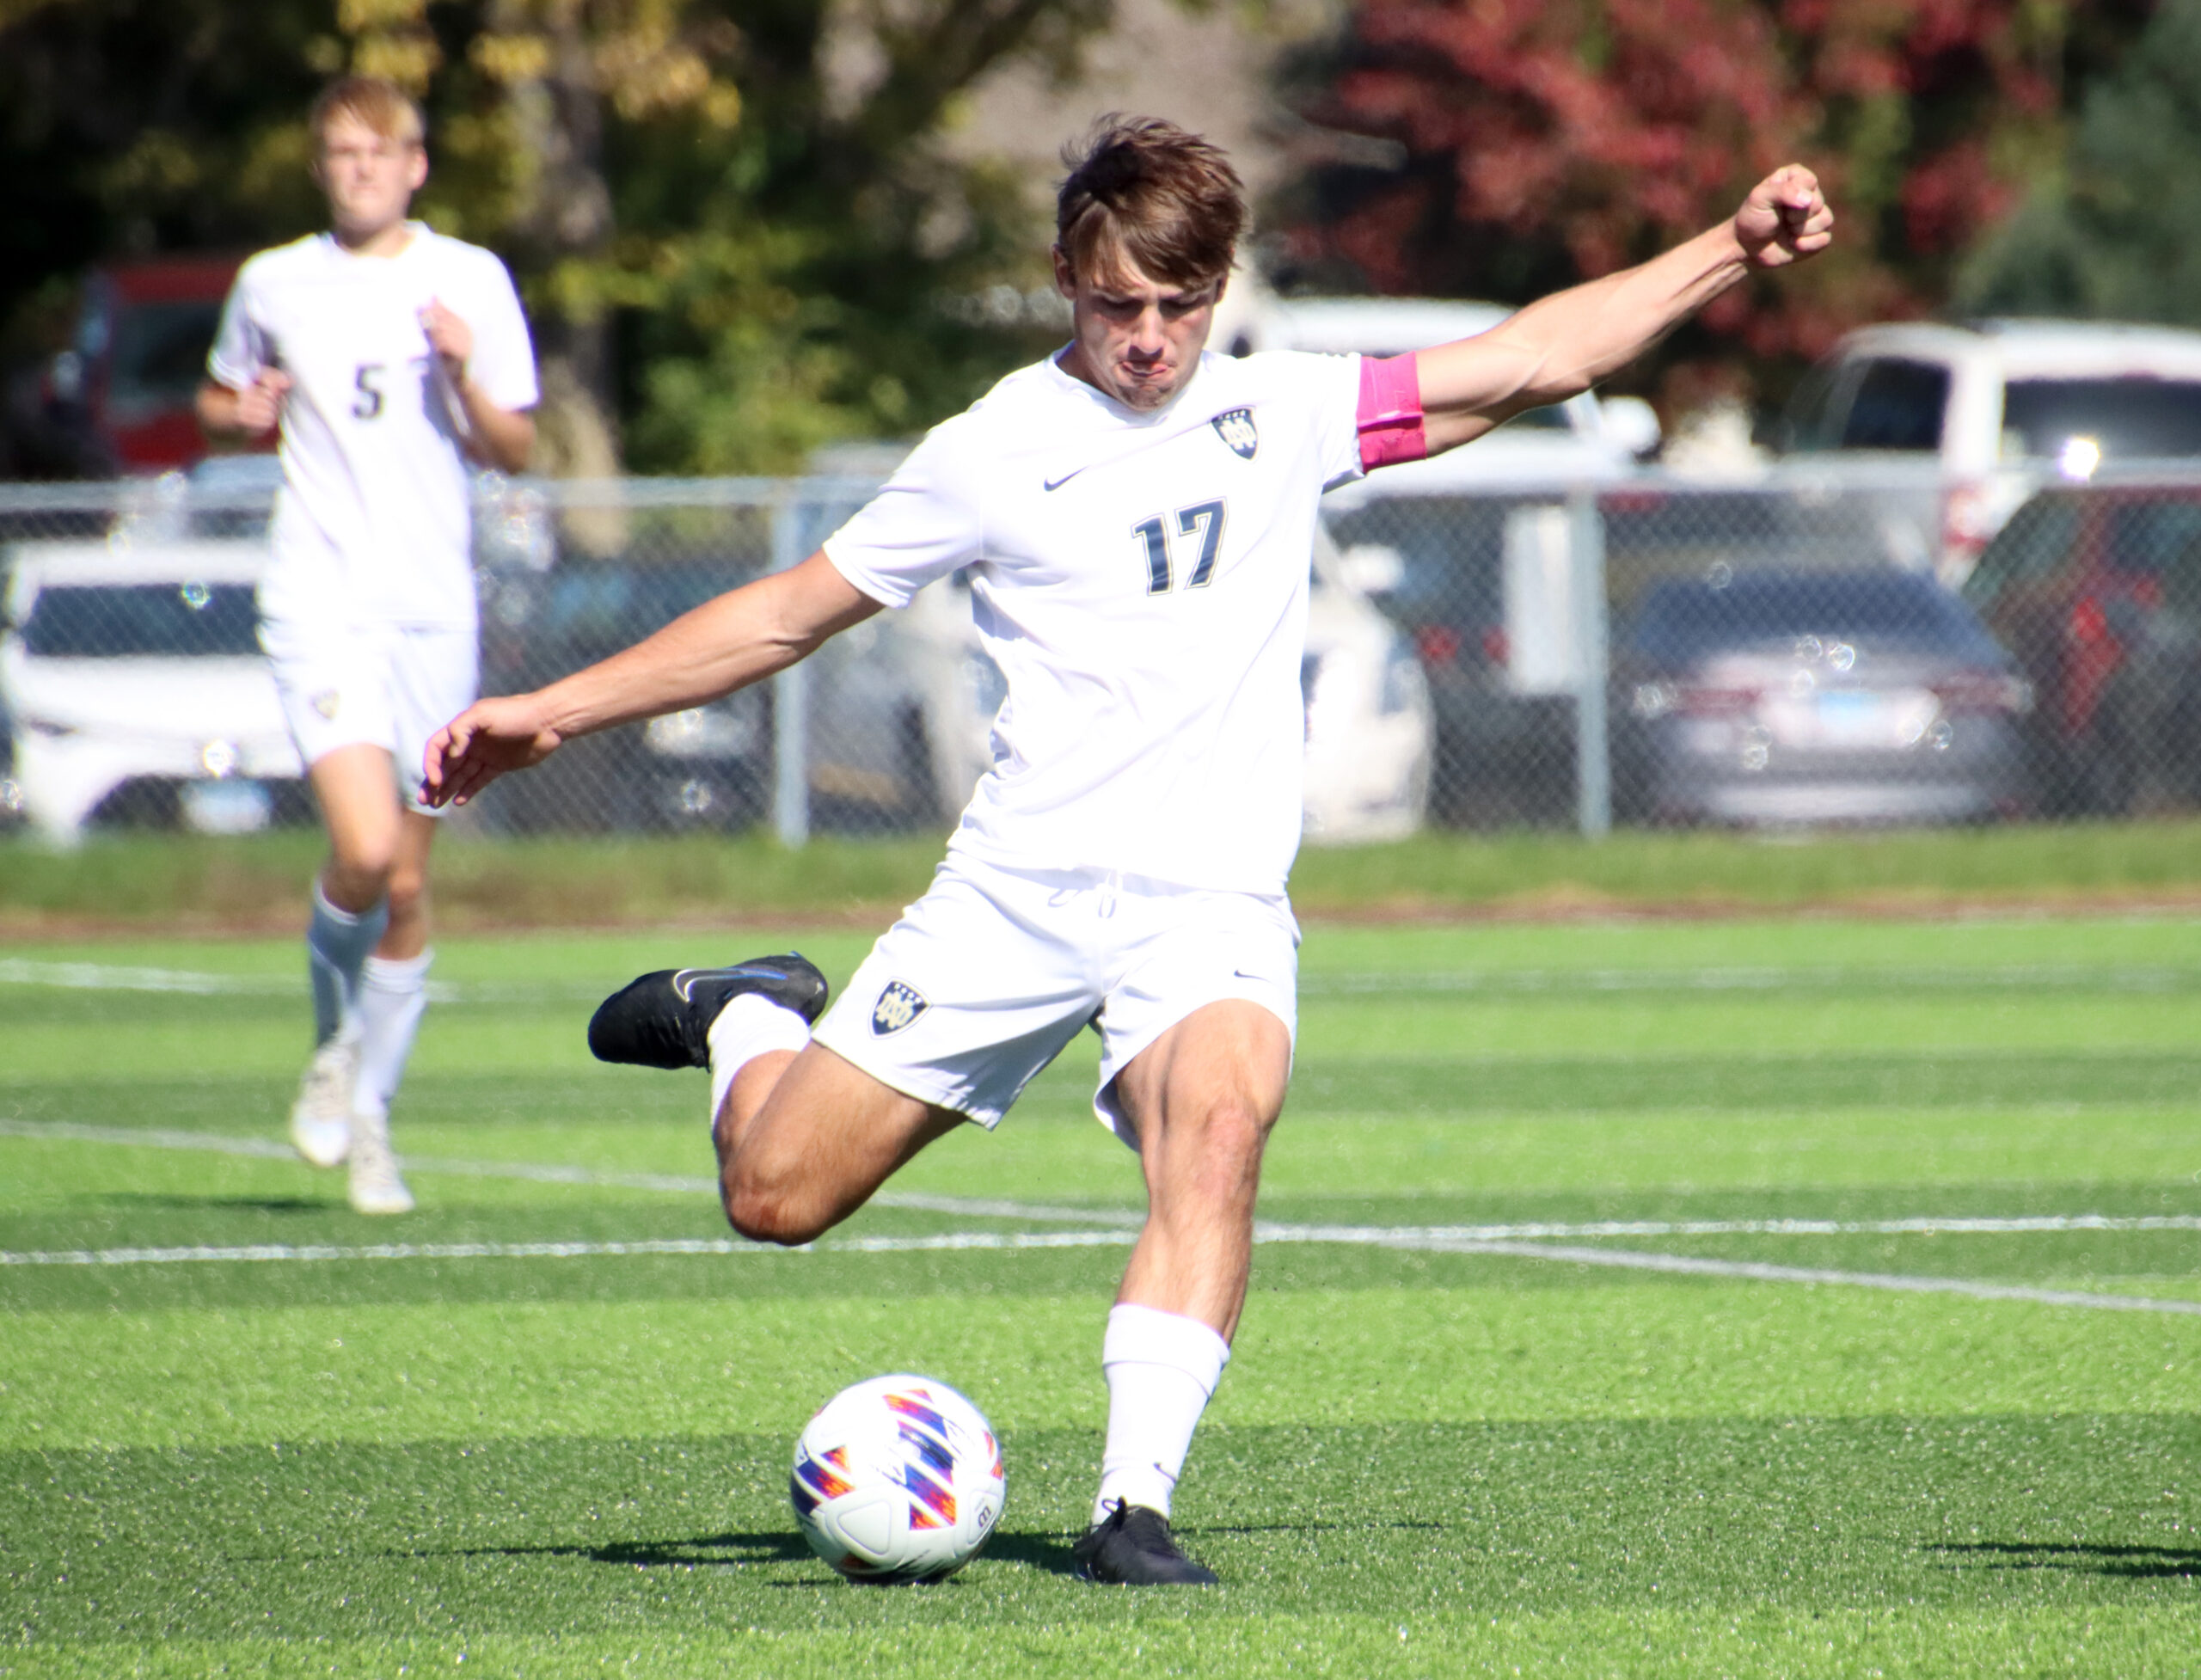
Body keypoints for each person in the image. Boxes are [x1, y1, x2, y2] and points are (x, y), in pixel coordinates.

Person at [423, 117, 1830, 1580]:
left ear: (1220, 290)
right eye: (1116, 306)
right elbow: (785, 614)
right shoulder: (989, 453)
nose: (1150, 339)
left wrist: (1729, 247)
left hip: (1205, 901)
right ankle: (749, 1015)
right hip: (1019, 894)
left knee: (1219, 1129)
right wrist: (553, 713)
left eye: (1179, 304)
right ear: (1064, 282)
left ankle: (1130, 1512)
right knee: (775, 1198)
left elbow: (1540, 356)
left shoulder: (1283, 409)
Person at [199, 75, 538, 1215]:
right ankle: (333, 1045)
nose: (358, 170)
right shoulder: (274, 281)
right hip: (319, 600)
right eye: (339, 153)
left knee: (405, 875)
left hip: (433, 607)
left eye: (376, 153)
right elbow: (219, 395)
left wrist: (460, 372)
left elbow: (517, 447)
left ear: (416, 164)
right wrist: (233, 413)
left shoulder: (469, 279)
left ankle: (373, 1110)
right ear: (321, 164)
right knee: (361, 844)